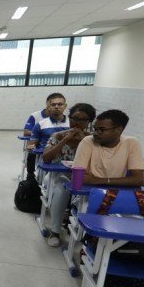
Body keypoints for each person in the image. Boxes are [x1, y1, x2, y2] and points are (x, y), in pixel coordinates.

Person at [42, 103, 96, 247]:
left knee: (89, 197)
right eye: (74, 118)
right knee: (61, 190)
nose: (77, 123)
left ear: (89, 122)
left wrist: (84, 141)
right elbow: (46, 158)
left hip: (84, 179)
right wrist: (65, 139)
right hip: (56, 176)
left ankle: (84, 233)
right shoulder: (57, 135)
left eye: (82, 120)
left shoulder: (92, 140)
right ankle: (55, 231)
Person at [73, 109, 144, 188]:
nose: (95, 133)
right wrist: (119, 181)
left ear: (119, 130)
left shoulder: (131, 143)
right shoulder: (88, 141)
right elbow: (79, 178)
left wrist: (99, 180)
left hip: (115, 194)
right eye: (95, 129)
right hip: (88, 194)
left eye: (102, 130)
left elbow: (138, 180)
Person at [25, 93, 68, 181]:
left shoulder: (72, 123)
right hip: (47, 160)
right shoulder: (40, 124)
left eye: (60, 104)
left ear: (65, 106)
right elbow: (31, 145)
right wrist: (32, 150)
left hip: (68, 161)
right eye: (53, 104)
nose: (56, 107)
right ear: (48, 106)